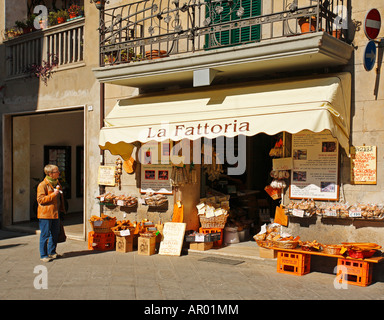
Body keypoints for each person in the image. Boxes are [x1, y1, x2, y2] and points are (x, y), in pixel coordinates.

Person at [37, 164, 66, 262]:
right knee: (45, 235)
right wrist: (53, 195)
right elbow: (40, 200)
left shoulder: (57, 183)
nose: (59, 173)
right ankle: (43, 255)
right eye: (56, 171)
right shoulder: (42, 185)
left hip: (56, 213)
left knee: (55, 233)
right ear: (50, 173)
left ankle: (52, 252)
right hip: (46, 214)